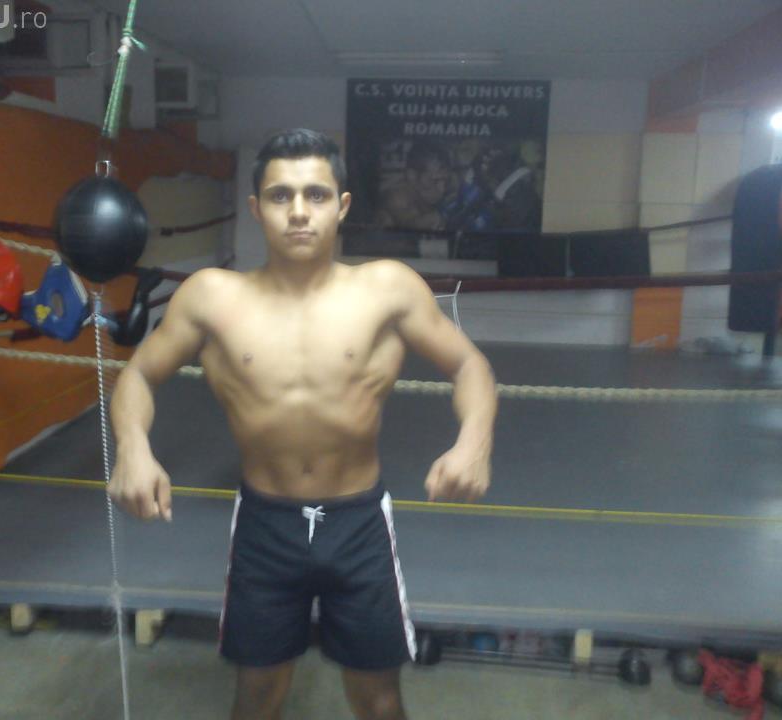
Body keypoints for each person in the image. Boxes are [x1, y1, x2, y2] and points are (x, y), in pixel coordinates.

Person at [109, 128, 497, 720]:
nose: (298, 211)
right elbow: (138, 374)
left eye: (315, 194)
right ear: (255, 208)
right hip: (266, 524)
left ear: (342, 205)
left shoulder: (387, 289)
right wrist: (133, 448)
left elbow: (470, 365)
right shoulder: (211, 297)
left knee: (378, 699)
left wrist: (474, 443)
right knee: (258, 695)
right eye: (280, 195)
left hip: (358, 522)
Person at [375, 140, 452, 231]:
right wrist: (431, 219)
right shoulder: (397, 198)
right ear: (412, 176)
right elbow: (406, 226)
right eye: (434, 181)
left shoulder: (430, 196)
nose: (442, 189)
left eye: (445, 181)